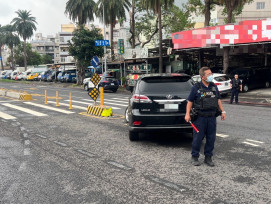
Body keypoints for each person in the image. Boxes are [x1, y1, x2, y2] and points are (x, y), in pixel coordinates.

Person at [185, 67, 226, 167]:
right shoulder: (196, 87)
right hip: (200, 118)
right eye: (208, 74)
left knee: (211, 138)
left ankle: (208, 157)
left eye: (211, 73)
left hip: (212, 117)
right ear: (202, 77)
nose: (211, 75)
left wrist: (223, 111)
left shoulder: (213, 86)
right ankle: (195, 156)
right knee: (198, 138)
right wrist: (187, 114)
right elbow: (190, 101)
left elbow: (218, 99)